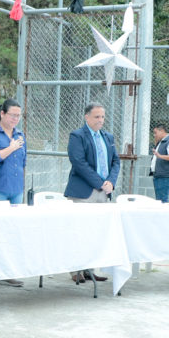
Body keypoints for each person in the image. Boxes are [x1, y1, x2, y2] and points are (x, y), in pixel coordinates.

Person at [65, 102, 121, 284]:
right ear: (86, 117)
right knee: (79, 232)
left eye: (103, 117)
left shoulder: (108, 137)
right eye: (97, 117)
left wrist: (110, 183)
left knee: (95, 234)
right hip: (84, 192)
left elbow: (116, 162)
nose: (100, 120)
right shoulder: (77, 136)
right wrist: (100, 183)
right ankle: (76, 270)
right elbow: (79, 162)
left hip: (103, 193)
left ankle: (90, 270)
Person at [150, 125, 169, 202]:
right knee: (159, 199)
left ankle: (163, 214)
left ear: (162, 131)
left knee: (162, 200)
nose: (154, 135)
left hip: (165, 176)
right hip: (159, 175)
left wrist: (159, 156)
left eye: (155, 133)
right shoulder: (162, 142)